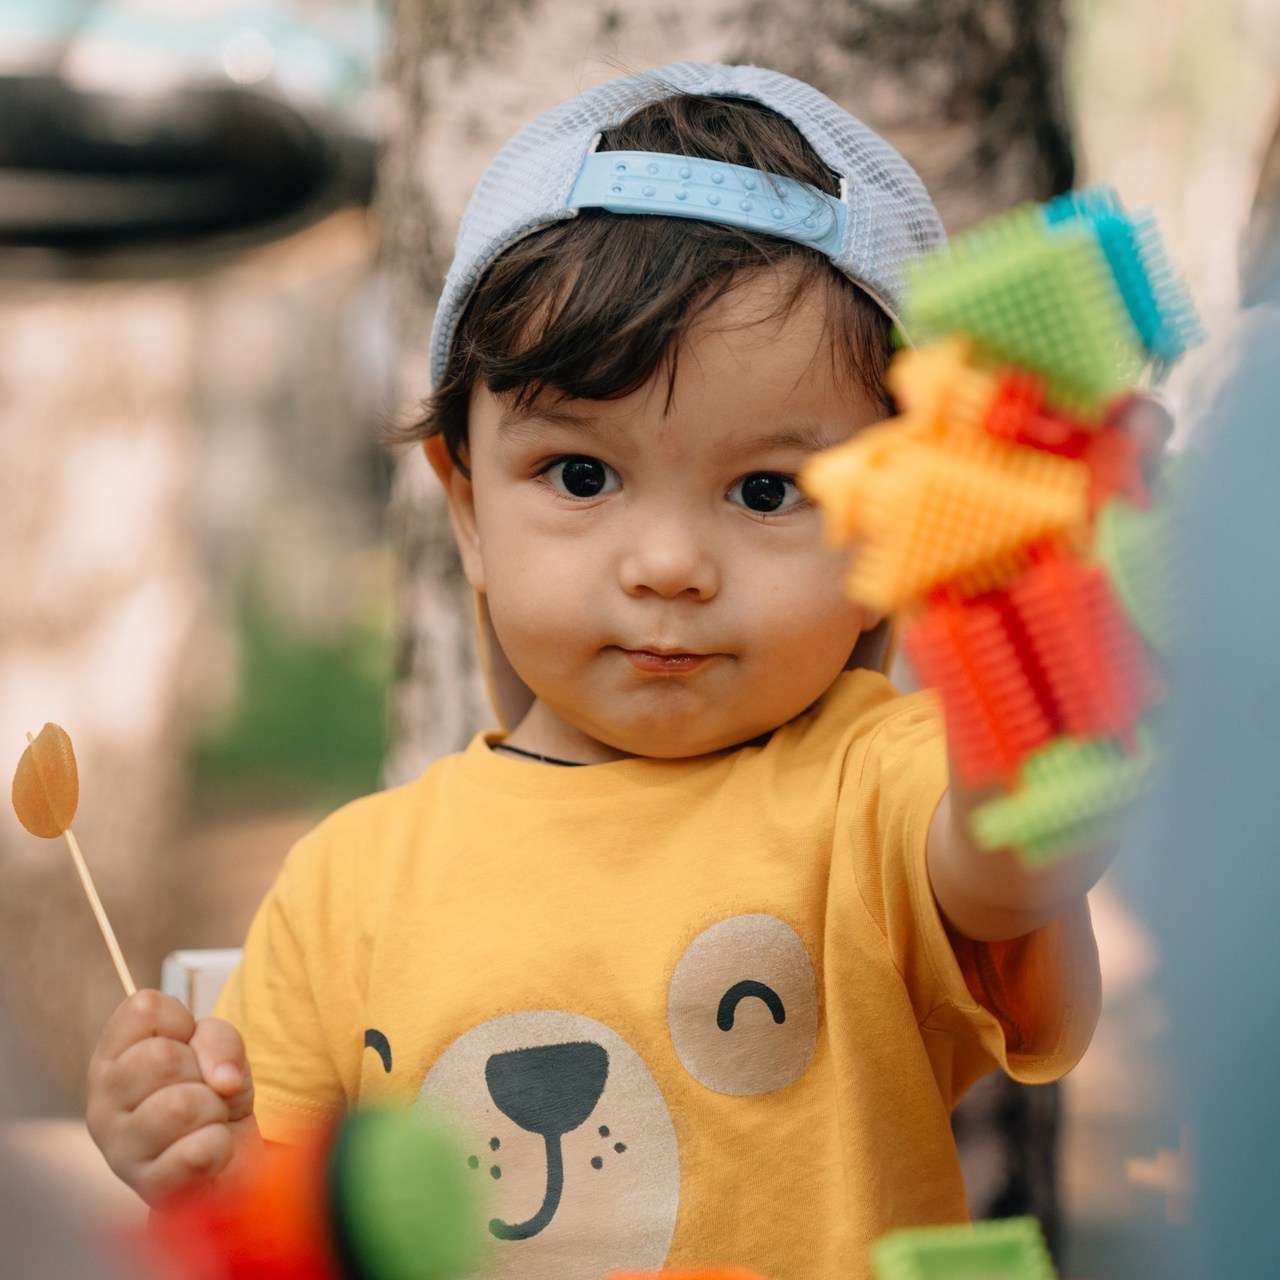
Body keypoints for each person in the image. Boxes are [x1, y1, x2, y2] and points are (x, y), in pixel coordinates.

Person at [85, 63, 1105, 1280]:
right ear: (464, 505)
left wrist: (1036, 635)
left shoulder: (871, 784)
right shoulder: (346, 886)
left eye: (766, 491)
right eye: (580, 474)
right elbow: (295, 1227)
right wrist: (198, 1161)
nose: (668, 563)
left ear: (888, 531)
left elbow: (1010, 856)